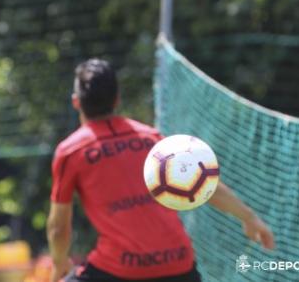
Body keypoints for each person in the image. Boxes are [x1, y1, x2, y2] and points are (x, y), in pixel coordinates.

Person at [47, 59, 275, 282]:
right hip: (178, 263)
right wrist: (249, 217)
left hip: (120, 268)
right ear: (117, 100)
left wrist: (59, 262)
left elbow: (58, 227)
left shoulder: (71, 152)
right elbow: (203, 185)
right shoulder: (151, 138)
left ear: (76, 102)